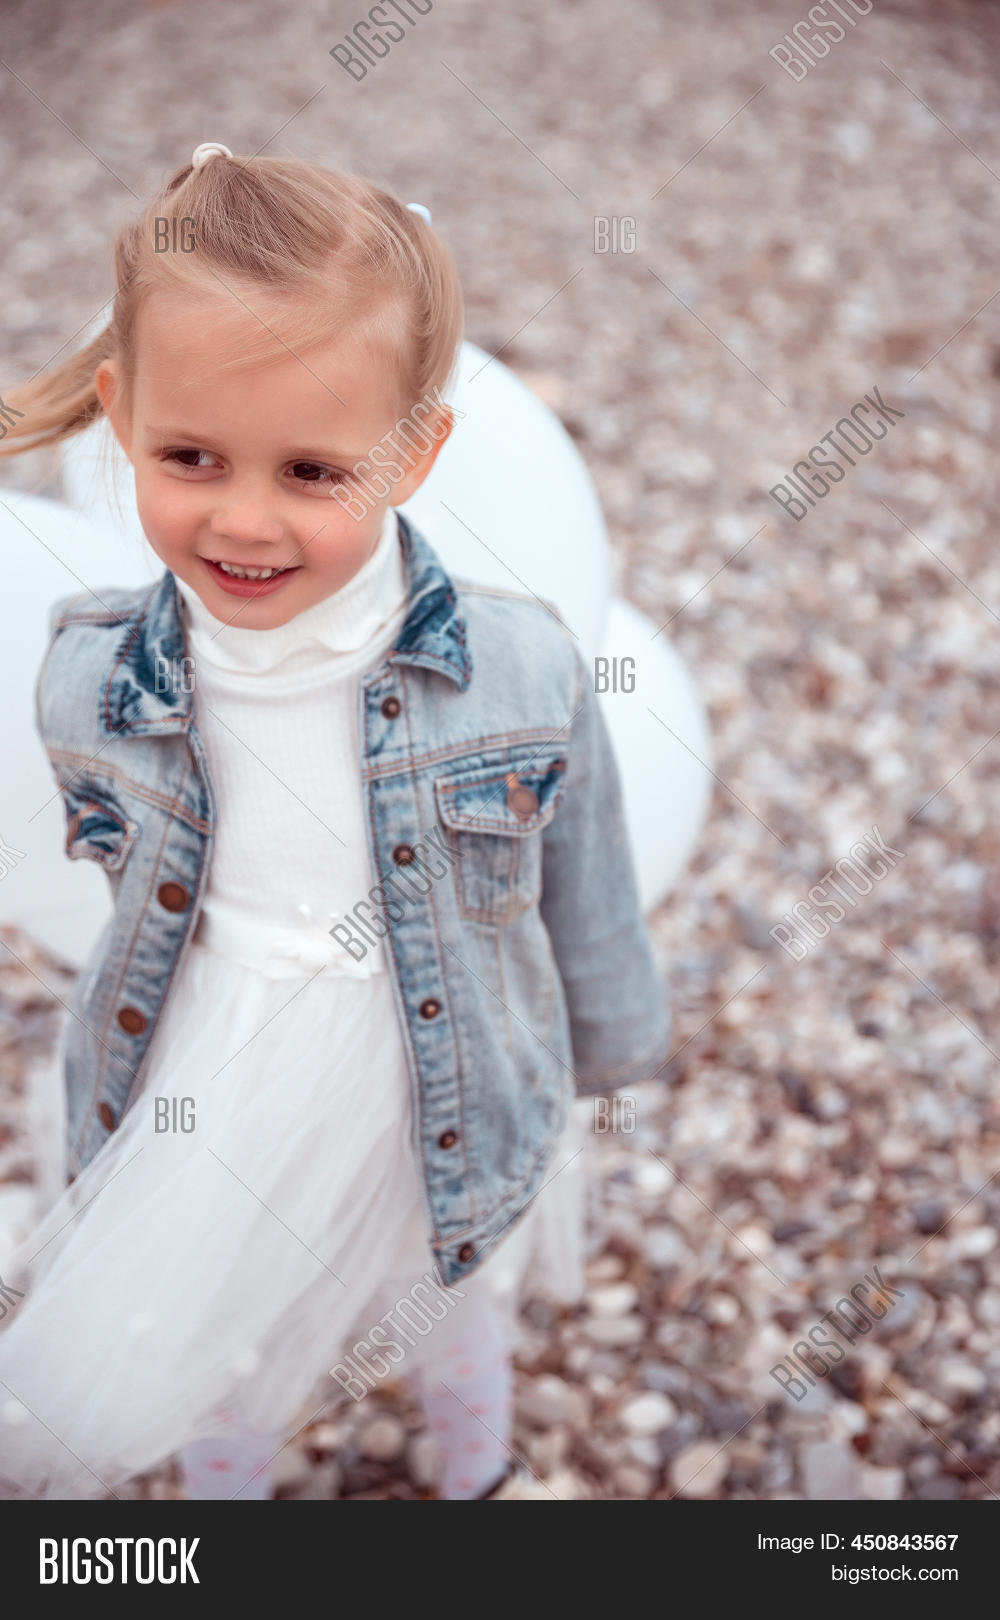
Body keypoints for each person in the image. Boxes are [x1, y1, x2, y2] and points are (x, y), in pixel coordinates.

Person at [0, 144, 670, 1501]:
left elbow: (583, 882)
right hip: (218, 1057)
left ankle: (473, 1472)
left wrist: (609, 1050)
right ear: (121, 418)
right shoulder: (90, 674)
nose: (244, 520)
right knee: (210, 1322)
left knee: (450, 1280)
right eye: (191, 456)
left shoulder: (521, 666)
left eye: (313, 472)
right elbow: (127, 878)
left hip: (448, 1048)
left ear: (415, 450)